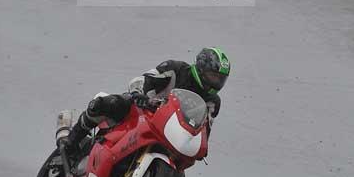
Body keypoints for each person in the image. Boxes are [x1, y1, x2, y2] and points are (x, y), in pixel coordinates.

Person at [58, 47, 231, 156]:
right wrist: (138, 94)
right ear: (200, 69)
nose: (216, 82)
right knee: (106, 104)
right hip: (142, 111)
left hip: (169, 132)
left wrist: (200, 148)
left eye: (220, 79)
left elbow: (203, 131)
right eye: (213, 76)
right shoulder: (176, 69)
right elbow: (144, 79)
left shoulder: (213, 101)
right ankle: (72, 139)